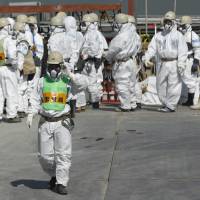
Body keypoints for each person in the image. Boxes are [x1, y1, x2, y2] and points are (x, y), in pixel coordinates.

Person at [26, 51, 88, 195]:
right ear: (47, 66)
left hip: (62, 122)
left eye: (56, 66)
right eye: (51, 66)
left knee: (63, 154)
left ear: (61, 66)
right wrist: (30, 113)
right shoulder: (41, 81)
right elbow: (35, 99)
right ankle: (54, 175)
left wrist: (71, 74)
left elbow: (85, 83)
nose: (53, 70)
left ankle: (61, 182)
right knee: (44, 157)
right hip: (46, 122)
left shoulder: (68, 81)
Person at [143, 11, 188, 112]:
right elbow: (152, 48)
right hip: (162, 63)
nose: (167, 24)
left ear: (174, 22)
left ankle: (171, 106)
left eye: (169, 21)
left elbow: (182, 51)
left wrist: (181, 64)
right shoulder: (159, 36)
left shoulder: (178, 36)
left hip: (174, 63)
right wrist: (147, 58)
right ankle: (165, 103)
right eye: (166, 21)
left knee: (174, 84)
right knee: (160, 84)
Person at [105, 13, 138, 111]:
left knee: (122, 84)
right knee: (131, 84)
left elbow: (113, 50)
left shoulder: (121, 36)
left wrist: (107, 57)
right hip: (130, 61)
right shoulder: (133, 34)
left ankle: (125, 106)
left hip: (122, 63)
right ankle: (132, 104)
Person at [81, 13, 108, 109]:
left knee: (95, 81)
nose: (82, 26)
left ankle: (96, 102)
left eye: (84, 24)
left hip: (94, 63)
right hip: (90, 62)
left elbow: (103, 49)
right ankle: (92, 100)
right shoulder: (88, 34)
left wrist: (97, 59)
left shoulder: (95, 34)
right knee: (89, 81)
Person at [0, 18, 20, 122]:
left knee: (0, 93)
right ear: (7, 27)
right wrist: (15, 64)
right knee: (11, 92)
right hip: (8, 68)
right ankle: (11, 115)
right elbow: (12, 55)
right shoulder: (8, 39)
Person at [178, 16, 200, 107]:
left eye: (183, 26)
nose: (181, 27)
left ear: (187, 25)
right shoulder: (182, 35)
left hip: (190, 60)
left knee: (191, 80)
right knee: (186, 79)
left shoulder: (193, 35)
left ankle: (192, 100)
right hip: (183, 60)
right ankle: (189, 100)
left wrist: (196, 61)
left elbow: (198, 49)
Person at [127, 14, 142, 109]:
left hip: (131, 60)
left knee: (131, 82)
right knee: (135, 82)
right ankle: (138, 101)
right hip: (135, 60)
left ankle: (133, 102)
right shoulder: (136, 35)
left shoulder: (130, 36)